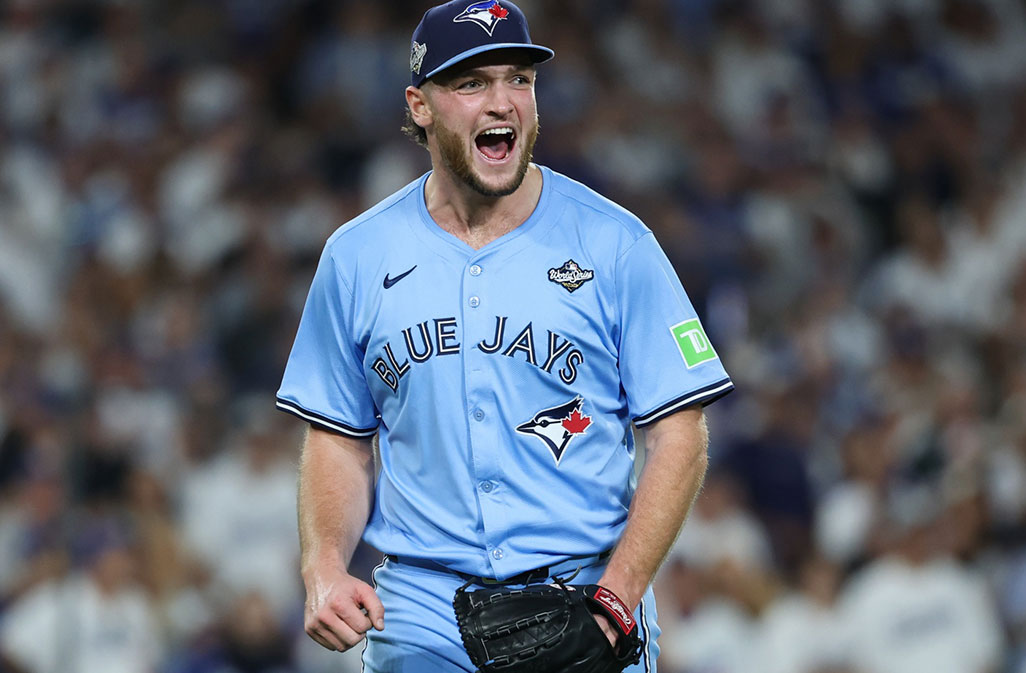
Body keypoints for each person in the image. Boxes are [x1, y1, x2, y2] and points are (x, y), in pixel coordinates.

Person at [274, 1, 734, 671]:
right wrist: (323, 566)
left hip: (583, 593)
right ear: (420, 104)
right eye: (472, 83)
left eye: (518, 79)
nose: (503, 102)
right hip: (423, 608)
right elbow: (340, 437)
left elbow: (679, 433)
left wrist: (618, 596)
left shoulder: (615, 243)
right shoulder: (357, 255)